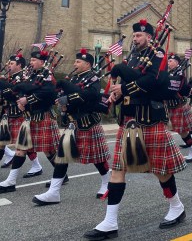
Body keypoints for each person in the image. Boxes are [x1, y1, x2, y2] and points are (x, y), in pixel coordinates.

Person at [83, 19, 187, 240]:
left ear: (149, 37)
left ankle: (176, 206)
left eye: (139, 35)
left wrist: (124, 85)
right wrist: (117, 92)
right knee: (118, 169)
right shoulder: (132, 58)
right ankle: (110, 222)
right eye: (134, 35)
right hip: (129, 120)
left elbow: (155, 81)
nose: (135, 38)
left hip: (149, 119)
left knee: (160, 170)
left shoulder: (158, 55)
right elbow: (136, 82)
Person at [32, 49, 110, 205]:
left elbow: (90, 96)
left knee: (98, 158)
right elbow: (65, 95)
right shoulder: (75, 78)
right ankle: (54, 193)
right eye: (75, 61)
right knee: (62, 156)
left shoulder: (93, 78)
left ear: (87, 64)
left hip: (87, 122)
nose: (75, 64)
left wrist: (68, 98)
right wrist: (62, 102)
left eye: (78, 62)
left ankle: (107, 182)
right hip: (72, 123)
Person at [0, 50, 60, 193]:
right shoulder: (32, 75)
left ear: (42, 62)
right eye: (31, 60)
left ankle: (60, 175)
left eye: (34, 60)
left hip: (43, 115)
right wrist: (21, 99)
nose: (31, 62)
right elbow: (25, 89)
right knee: (21, 148)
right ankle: (11, 181)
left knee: (49, 150)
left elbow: (48, 93)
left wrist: (27, 100)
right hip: (30, 116)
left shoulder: (47, 75)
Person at [0, 53, 43, 176]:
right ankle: (36, 166)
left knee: (23, 144)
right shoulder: (9, 77)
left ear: (19, 65)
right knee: (4, 143)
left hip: (19, 114)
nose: (9, 65)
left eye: (12, 63)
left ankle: (37, 166)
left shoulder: (24, 77)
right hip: (8, 113)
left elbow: (16, 92)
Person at [165, 53, 192, 163]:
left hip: (178, 105)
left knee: (183, 131)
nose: (168, 63)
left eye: (170, 61)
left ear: (176, 62)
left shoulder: (179, 72)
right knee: (180, 131)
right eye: (168, 61)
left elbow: (177, 86)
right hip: (171, 106)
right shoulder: (170, 72)